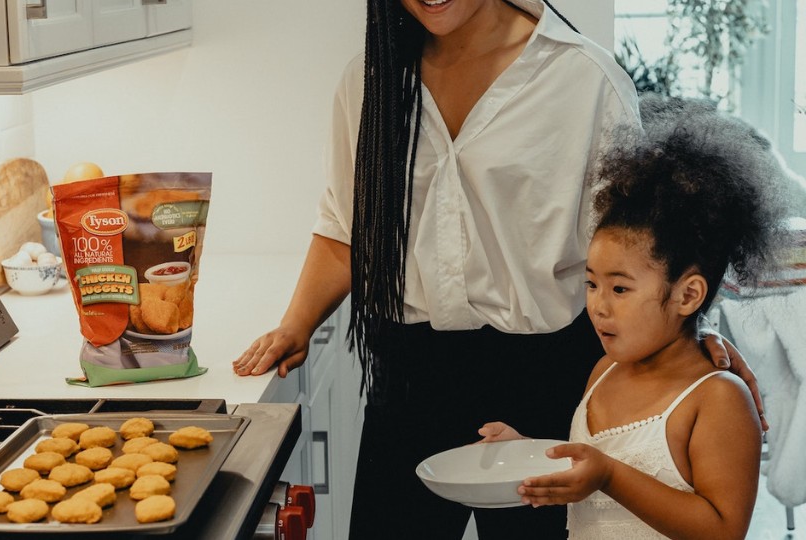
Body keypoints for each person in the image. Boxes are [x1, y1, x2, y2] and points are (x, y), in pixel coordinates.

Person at [233, 1, 766, 538]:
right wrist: (294, 325)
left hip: (544, 373)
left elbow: (640, 246)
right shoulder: (371, 78)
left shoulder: (582, 78)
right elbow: (346, 228)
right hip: (411, 374)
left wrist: (690, 332)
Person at [479, 94, 790, 539]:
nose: (599, 305)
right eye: (591, 284)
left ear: (688, 295)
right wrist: (528, 454)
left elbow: (722, 530)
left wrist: (609, 476)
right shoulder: (605, 371)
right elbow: (592, 469)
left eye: (620, 288)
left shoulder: (717, 399)